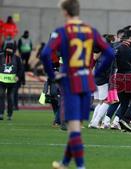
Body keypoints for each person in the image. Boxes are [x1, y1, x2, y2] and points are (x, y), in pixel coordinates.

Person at [40, 0, 115, 168]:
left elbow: (45, 54)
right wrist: (94, 71)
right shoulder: (91, 31)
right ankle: (65, 163)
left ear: (65, 12)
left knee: (74, 128)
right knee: (77, 127)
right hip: (87, 82)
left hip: (70, 82)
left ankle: (81, 166)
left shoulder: (62, 31)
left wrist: (53, 75)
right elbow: (110, 52)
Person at [0, 41, 23, 120]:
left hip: (12, 83)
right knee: (1, 96)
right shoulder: (1, 56)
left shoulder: (17, 58)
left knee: (10, 98)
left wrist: (18, 76)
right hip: (1, 81)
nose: (9, 51)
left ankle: (10, 115)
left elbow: (21, 69)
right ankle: (1, 113)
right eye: (8, 49)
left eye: (11, 49)